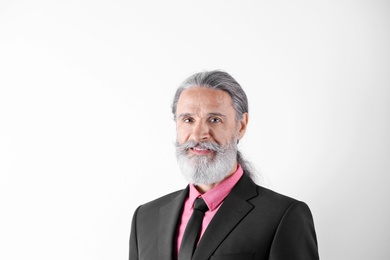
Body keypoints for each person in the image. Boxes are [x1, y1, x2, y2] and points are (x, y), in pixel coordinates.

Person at [129, 70, 319, 260]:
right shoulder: (145, 218)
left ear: (241, 125)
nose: (198, 134)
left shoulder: (283, 216)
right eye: (188, 120)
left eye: (214, 120)